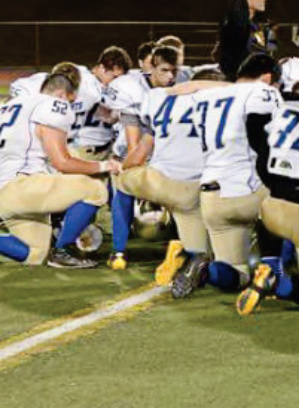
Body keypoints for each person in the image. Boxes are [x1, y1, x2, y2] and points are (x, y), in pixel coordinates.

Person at [170, 53, 281, 298]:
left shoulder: (205, 96)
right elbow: (262, 136)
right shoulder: (263, 92)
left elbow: (180, 91)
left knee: (237, 274)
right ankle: (277, 272)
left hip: (211, 195)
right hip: (246, 189)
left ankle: (205, 268)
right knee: (289, 203)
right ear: (267, 78)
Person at [0, 71, 119, 268]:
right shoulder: (53, 105)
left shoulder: (9, 106)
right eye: (70, 102)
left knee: (35, 254)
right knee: (95, 189)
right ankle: (62, 250)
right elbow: (62, 163)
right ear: (62, 95)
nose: (69, 108)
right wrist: (104, 166)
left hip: (8, 192)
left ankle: (54, 250)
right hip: (21, 186)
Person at [120, 68, 222, 286]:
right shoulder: (220, 104)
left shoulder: (160, 99)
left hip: (160, 180)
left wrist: (122, 170)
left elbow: (139, 153)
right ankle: (191, 252)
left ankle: (119, 251)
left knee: (120, 181)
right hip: (197, 186)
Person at [234, 80, 299, 315]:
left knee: (275, 203)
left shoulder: (282, 113)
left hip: (270, 213)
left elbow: (263, 163)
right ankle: (280, 284)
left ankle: (270, 271)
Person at [105, 45, 179, 269]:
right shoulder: (130, 88)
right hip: (136, 153)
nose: (170, 76)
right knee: (125, 187)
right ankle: (118, 250)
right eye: (165, 70)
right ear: (151, 68)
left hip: (168, 157)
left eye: (174, 71)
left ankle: (180, 246)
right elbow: (132, 139)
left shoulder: (183, 86)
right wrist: (133, 165)